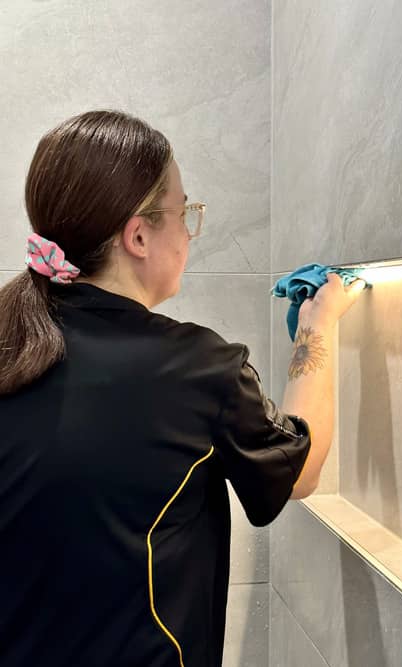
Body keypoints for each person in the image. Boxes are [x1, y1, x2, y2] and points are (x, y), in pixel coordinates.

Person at [0, 110, 364, 667]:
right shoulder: (196, 368)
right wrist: (319, 327)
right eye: (184, 212)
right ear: (139, 235)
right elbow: (301, 467)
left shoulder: (12, 340)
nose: (190, 230)